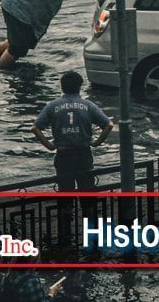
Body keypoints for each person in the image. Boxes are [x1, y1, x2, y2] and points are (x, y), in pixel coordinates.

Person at [32, 71, 113, 244]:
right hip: (84, 154)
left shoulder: (53, 106)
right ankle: (92, 236)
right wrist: (97, 142)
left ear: (62, 87)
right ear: (80, 86)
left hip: (63, 155)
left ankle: (65, 235)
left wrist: (49, 145)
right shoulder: (88, 105)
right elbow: (108, 124)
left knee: (65, 196)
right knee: (88, 195)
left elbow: (36, 128)